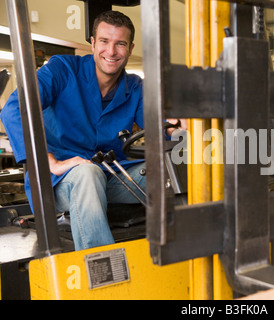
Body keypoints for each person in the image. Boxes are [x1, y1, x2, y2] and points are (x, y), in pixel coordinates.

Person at [1, 10, 177, 251]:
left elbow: (164, 124)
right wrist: (49, 162)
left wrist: (183, 128)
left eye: (120, 44)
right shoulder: (62, 70)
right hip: (60, 181)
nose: (111, 51)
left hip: (112, 176)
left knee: (175, 170)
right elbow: (15, 108)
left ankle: (183, 249)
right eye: (104, 41)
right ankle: (103, 270)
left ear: (130, 48)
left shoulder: (135, 87)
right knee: (87, 173)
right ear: (93, 43)